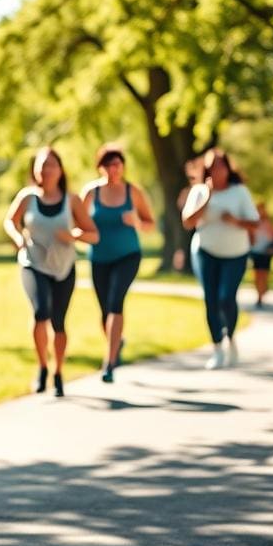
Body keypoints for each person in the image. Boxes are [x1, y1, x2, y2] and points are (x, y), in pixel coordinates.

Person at [4, 146, 99, 396]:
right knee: (40, 312)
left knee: (58, 322)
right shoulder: (27, 197)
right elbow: (10, 220)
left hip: (64, 267)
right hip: (32, 263)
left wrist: (73, 235)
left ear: (60, 169)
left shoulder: (72, 200)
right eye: (42, 165)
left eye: (51, 164)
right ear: (35, 170)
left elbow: (93, 235)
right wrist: (17, 237)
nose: (46, 170)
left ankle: (58, 371)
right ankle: (42, 367)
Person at [79, 144, 155, 383]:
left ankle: (109, 363)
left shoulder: (134, 192)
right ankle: (117, 342)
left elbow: (150, 224)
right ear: (100, 168)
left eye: (117, 164)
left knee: (115, 303)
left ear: (123, 166)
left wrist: (136, 222)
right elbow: (77, 221)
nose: (113, 169)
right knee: (104, 312)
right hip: (99, 258)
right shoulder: (91, 192)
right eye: (108, 165)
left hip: (128, 256)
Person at [182, 149, 259, 369]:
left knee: (226, 298)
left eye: (221, 165)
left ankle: (231, 338)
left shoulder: (240, 192)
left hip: (235, 254)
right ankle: (217, 348)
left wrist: (235, 221)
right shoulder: (198, 192)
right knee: (211, 299)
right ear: (206, 170)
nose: (218, 170)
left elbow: (254, 222)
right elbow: (188, 222)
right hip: (205, 251)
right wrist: (206, 198)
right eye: (213, 166)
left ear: (228, 168)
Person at [248, 202, 273, 308]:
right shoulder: (253, 223)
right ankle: (259, 296)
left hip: (265, 253)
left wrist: (272, 248)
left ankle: (263, 289)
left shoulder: (267, 223)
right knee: (257, 275)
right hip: (255, 252)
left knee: (264, 274)